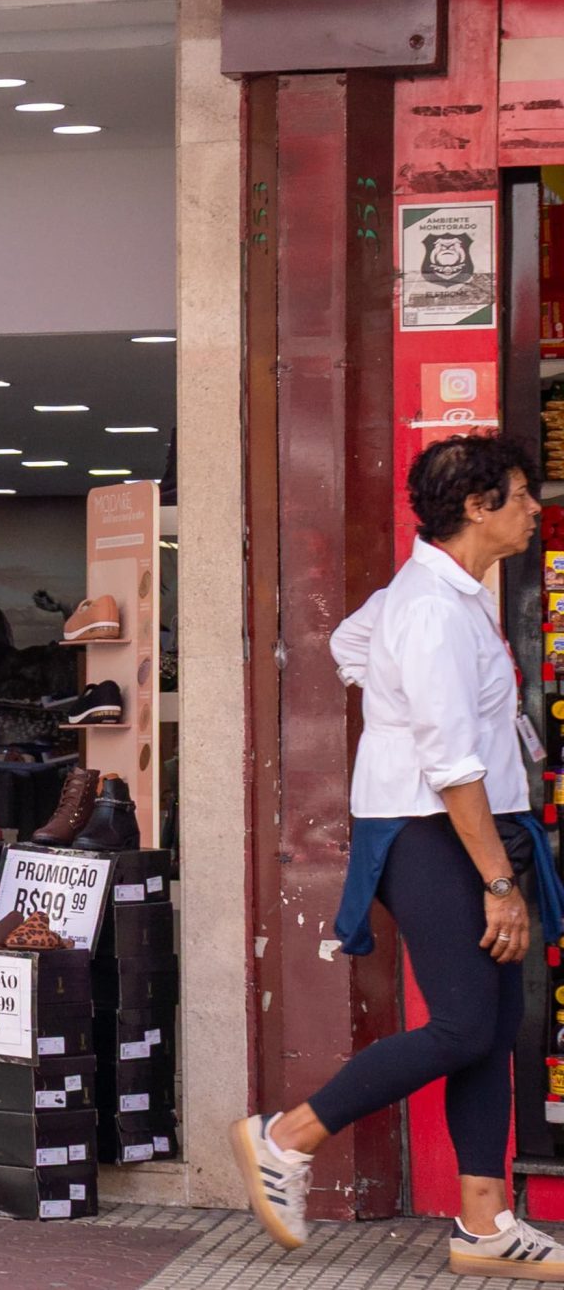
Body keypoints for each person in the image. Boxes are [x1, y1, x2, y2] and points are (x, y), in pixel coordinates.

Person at [233, 434, 564, 1275]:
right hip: (433, 829)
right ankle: (287, 1135)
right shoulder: (429, 611)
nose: (536, 508)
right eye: (522, 494)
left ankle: (485, 1223)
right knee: (462, 1024)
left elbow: (351, 644)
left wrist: (393, 703)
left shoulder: (442, 594)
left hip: (463, 824)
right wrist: (499, 881)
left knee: (491, 1028)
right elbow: (451, 767)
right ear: (479, 507)